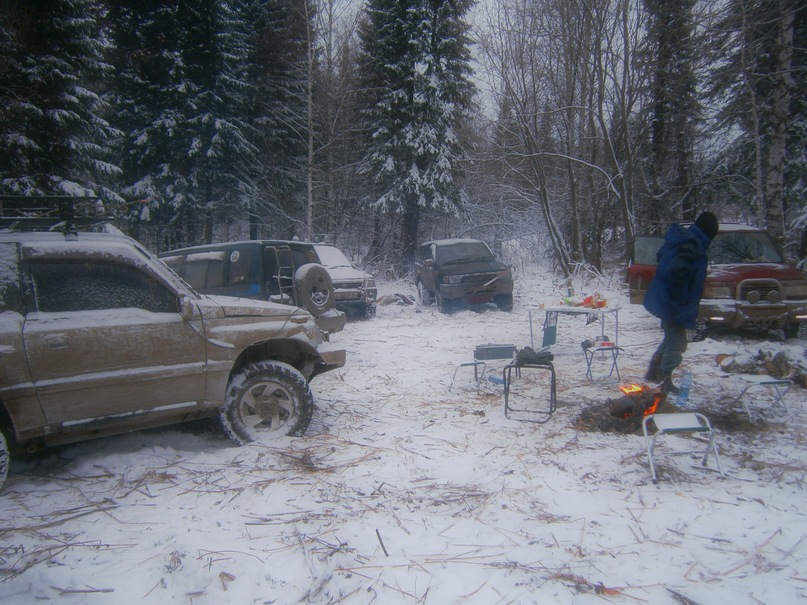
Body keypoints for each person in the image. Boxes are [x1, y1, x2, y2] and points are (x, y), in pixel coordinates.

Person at [643, 211, 719, 395]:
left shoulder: (684, 240)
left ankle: (654, 372)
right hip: (674, 301)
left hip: (666, 298)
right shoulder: (692, 245)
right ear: (709, 232)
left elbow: (661, 256)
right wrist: (680, 297)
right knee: (677, 342)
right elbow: (678, 271)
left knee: (671, 336)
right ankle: (664, 379)